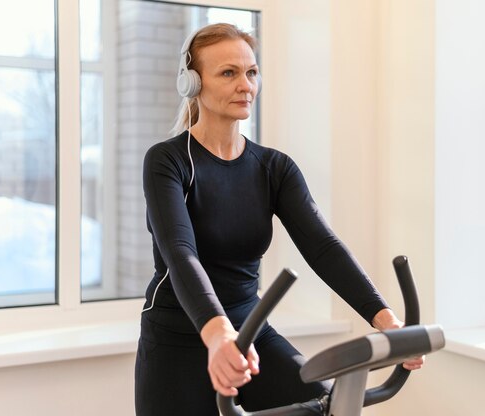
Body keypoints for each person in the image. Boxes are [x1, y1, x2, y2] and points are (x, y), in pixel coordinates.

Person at [135, 23, 423, 416]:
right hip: (178, 340)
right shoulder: (168, 161)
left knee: (327, 407)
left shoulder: (274, 168)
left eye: (251, 72)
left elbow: (322, 247)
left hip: (251, 331)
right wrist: (218, 336)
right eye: (228, 73)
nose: (246, 84)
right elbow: (181, 254)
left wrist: (387, 321)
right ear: (192, 83)